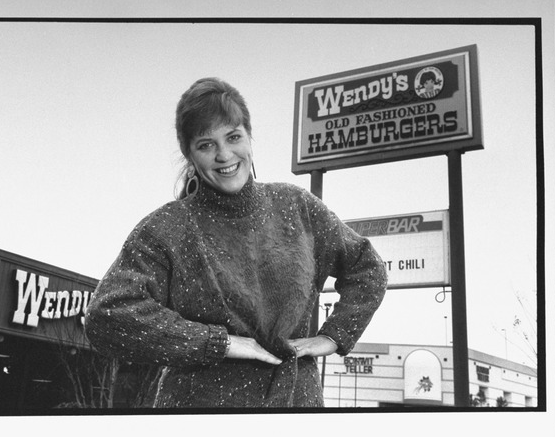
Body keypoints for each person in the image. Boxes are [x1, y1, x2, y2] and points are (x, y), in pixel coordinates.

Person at [83, 77, 387, 408]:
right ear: (190, 155)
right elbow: (106, 315)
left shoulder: (296, 206)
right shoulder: (167, 228)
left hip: (296, 405)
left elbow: (367, 268)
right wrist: (222, 343)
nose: (224, 154)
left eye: (233, 137)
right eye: (206, 144)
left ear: (249, 137)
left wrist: (334, 335)